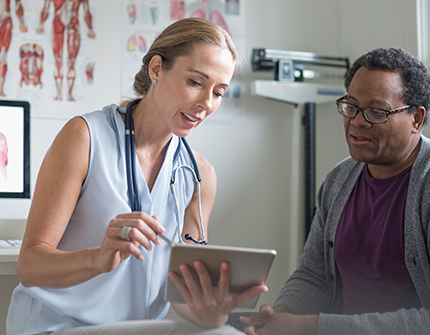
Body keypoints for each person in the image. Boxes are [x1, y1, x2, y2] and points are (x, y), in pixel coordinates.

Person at [7, 17, 267, 335]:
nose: (206, 103)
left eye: (219, 92)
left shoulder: (199, 176)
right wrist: (97, 259)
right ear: (156, 69)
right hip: (60, 324)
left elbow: (180, 293)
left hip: (141, 327)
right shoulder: (86, 138)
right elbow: (30, 266)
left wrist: (211, 312)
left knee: (224, 332)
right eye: (196, 82)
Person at [240, 47, 430, 334]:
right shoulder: (339, 179)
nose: (357, 121)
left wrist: (310, 327)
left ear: (416, 119)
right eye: (351, 105)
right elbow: (314, 275)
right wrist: (281, 316)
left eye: (376, 111)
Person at [36, 0, 96, 101]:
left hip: (73, 25)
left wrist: (90, 29)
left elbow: (87, 11)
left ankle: (69, 94)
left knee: (71, 61)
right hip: (58, 24)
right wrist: (41, 25)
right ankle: (59, 93)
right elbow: (45, 8)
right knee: (58, 60)